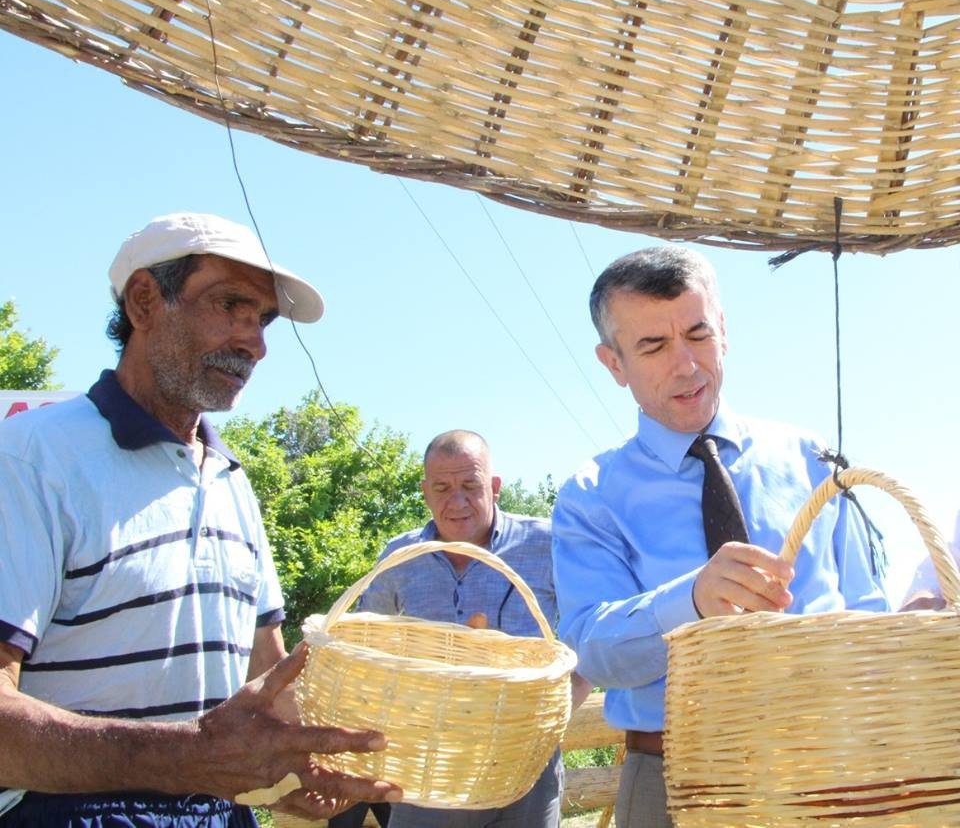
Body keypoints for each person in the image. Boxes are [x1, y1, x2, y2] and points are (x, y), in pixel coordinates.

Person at [0, 213, 402, 827]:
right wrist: (191, 757)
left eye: (262, 319)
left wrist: (293, 767)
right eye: (230, 304)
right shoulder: (32, 456)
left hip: (219, 812)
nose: (255, 342)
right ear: (143, 302)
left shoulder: (230, 479)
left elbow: (266, 669)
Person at [551, 246, 890, 828]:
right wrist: (692, 603)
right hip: (672, 782)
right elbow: (593, 649)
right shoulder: (590, 496)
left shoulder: (815, 461)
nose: (685, 365)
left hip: (830, 768)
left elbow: (872, 612)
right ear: (613, 364)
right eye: (653, 346)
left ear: (725, 331)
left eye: (698, 333)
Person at [357, 429, 590, 828]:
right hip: (430, 774)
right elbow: (364, 644)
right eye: (443, 487)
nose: (457, 500)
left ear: (495, 486)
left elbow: (590, 633)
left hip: (527, 770)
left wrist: (552, 717)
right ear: (425, 491)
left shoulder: (547, 544)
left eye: (470, 485)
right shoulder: (400, 557)